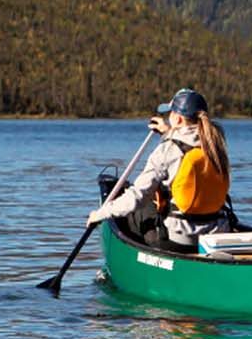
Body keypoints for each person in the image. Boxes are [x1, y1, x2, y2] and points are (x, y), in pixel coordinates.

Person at [87, 87, 233, 253]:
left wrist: (100, 214)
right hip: (216, 231)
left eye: (170, 113)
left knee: (136, 208)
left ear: (177, 119)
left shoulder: (167, 150)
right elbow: (188, 142)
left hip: (181, 239)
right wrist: (168, 133)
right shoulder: (215, 145)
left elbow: (137, 197)